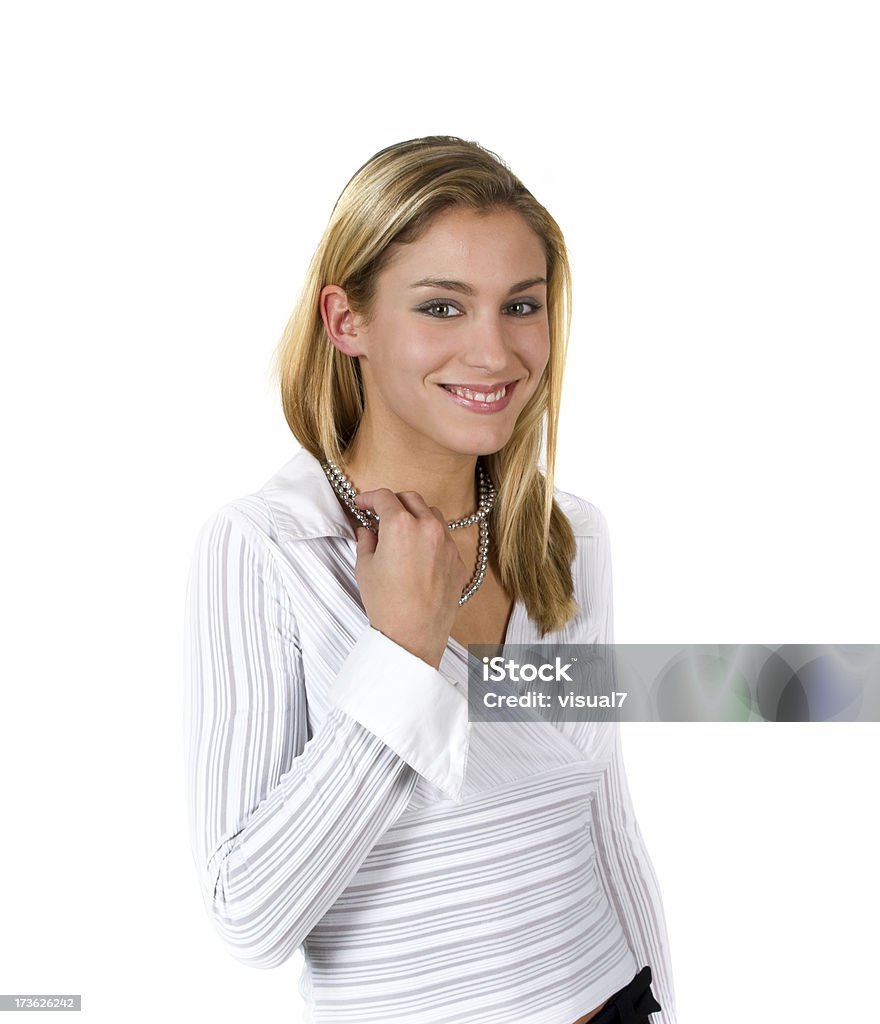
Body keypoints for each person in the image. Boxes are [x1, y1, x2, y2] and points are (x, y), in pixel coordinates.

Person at [183, 136, 676, 1024]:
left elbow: (604, 818)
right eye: (443, 307)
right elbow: (248, 918)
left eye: (521, 305)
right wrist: (402, 650)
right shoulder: (269, 549)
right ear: (348, 321)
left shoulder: (567, 539)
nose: (494, 352)